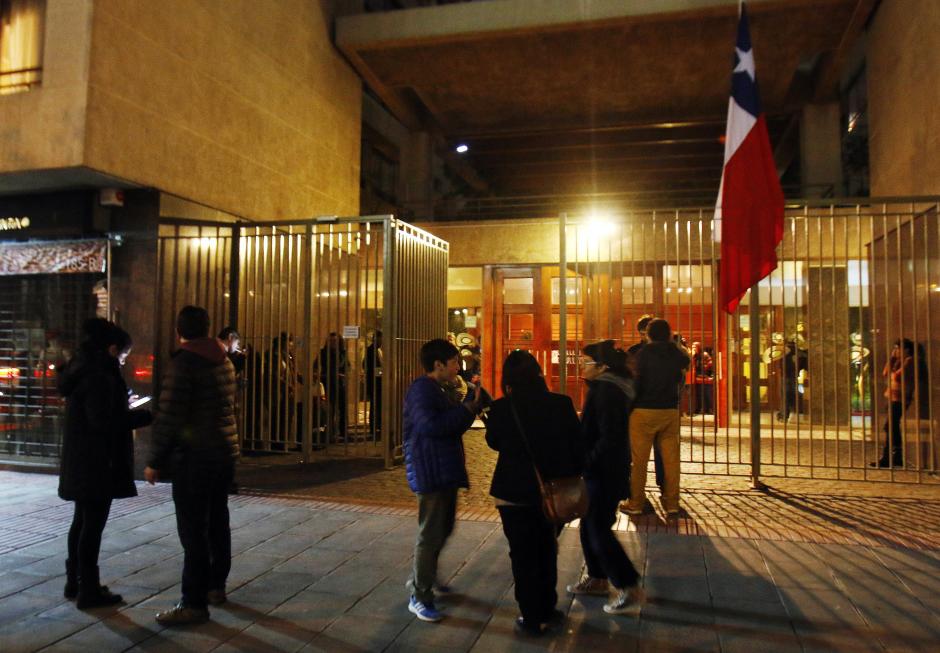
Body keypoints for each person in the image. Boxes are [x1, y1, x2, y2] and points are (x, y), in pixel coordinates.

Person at [145, 305, 239, 625]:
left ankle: (193, 603)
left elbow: (171, 416)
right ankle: (216, 586)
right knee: (217, 522)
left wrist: (155, 459)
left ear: (178, 331)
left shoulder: (184, 363)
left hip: (195, 457)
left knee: (193, 531)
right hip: (223, 453)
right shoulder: (224, 360)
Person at [485, 351, 582, 635]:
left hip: (512, 493)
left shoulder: (503, 408)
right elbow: (577, 446)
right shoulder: (561, 404)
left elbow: (494, 442)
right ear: (539, 373)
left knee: (522, 554)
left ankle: (530, 616)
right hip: (552, 493)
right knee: (546, 548)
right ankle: (548, 607)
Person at [58, 320, 152, 609]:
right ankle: (88, 590)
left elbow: (96, 412)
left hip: (81, 460)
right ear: (112, 350)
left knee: (81, 522)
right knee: (91, 526)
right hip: (97, 462)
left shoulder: (82, 367)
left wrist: (122, 404)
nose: (124, 361)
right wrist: (141, 416)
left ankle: (75, 581)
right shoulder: (100, 375)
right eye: (124, 356)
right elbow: (103, 422)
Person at [403, 338, 480, 623]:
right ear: (439, 365)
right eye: (454, 363)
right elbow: (431, 427)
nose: (458, 368)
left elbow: (453, 424)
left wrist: (470, 407)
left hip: (443, 469)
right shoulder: (422, 390)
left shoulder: (440, 389)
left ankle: (425, 578)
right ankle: (419, 595)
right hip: (430, 470)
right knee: (431, 534)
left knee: (444, 528)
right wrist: (467, 409)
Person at [567, 340, 645, 615]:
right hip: (604, 469)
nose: (580, 366)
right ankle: (598, 578)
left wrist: (588, 461)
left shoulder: (607, 392)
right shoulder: (608, 388)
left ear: (601, 367)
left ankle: (628, 583)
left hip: (604, 471)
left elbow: (609, 436)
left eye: (585, 362)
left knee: (597, 527)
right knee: (590, 525)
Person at [623, 319, 690, 517]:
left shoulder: (642, 355)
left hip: (643, 411)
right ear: (669, 334)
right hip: (669, 410)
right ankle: (672, 504)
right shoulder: (676, 354)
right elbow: (682, 371)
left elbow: (635, 383)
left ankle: (635, 502)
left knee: (638, 461)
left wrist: (629, 407)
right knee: (671, 461)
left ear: (648, 335)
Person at [872, 338, 919, 468]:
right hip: (892, 398)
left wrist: (895, 366)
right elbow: (885, 373)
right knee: (890, 426)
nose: (895, 351)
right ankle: (895, 456)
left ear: (906, 350)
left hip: (901, 399)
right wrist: (892, 359)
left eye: (898, 348)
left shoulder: (909, 361)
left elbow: (897, 376)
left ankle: (889, 457)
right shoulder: (898, 361)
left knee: (890, 426)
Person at [318, 332, 348, 441]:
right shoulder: (323, 353)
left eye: (335, 341)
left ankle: (343, 433)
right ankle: (329, 433)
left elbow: (346, 366)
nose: (333, 343)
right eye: (331, 341)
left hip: (340, 383)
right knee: (329, 410)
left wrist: (343, 374)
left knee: (342, 409)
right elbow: (320, 366)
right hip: (328, 383)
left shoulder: (342, 353)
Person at [364, 330, 383, 437]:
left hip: (379, 382)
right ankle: (373, 428)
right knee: (375, 406)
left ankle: (378, 426)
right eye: (380, 339)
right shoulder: (371, 351)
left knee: (378, 405)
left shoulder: (378, 350)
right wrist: (383, 372)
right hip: (374, 383)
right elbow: (372, 368)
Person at [688, 341, 713, 415]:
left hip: (705, 377)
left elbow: (710, 364)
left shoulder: (705, 354)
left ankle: (709, 409)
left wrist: (705, 367)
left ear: (699, 347)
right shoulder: (693, 356)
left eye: (695, 347)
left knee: (707, 394)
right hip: (697, 378)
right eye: (692, 347)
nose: (693, 348)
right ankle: (699, 408)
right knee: (698, 394)